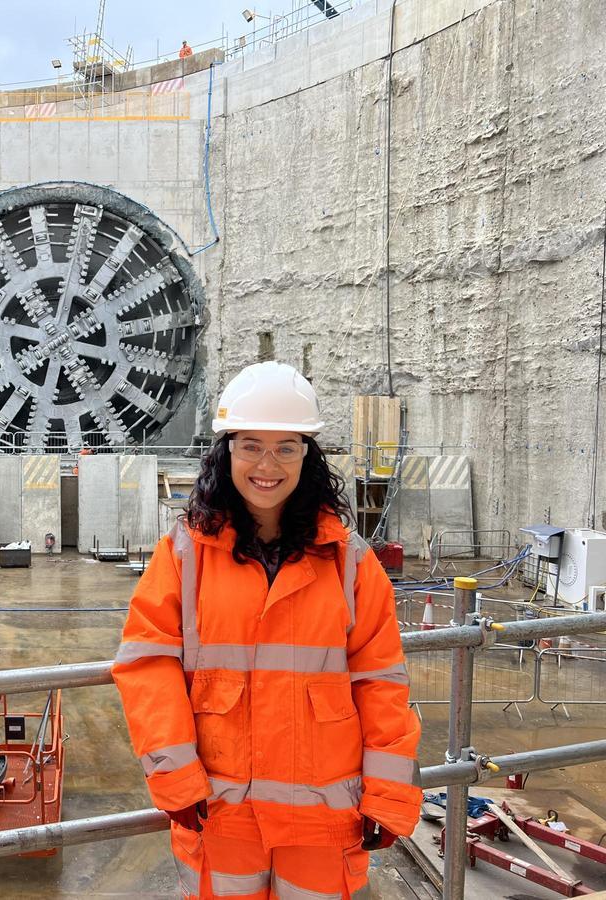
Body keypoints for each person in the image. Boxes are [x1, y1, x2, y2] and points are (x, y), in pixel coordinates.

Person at [112, 361, 420, 900]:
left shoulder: (350, 562)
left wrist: (390, 794)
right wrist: (175, 776)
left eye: (286, 447)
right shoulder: (185, 554)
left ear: (308, 455)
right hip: (220, 812)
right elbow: (147, 664)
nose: (267, 464)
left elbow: (380, 682)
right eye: (251, 445)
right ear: (226, 451)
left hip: (325, 823)